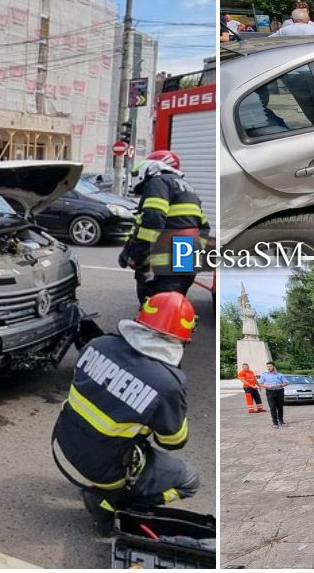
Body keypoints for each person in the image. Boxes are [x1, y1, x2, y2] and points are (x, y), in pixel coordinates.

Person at [52, 292, 198, 536]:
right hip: (102, 468)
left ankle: (106, 490)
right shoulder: (168, 383)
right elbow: (173, 441)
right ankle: (109, 502)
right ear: (182, 337)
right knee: (189, 481)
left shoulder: (98, 344)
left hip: (62, 441)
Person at [119, 153, 209, 304]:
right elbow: (204, 227)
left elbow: (152, 219)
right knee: (173, 304)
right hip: (187, 256)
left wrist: (138, 256)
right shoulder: (187, 188)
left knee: (156, 306)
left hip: (165, 258)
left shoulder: (158, 182)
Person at [258, 362, 290, 428]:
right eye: (267, 366)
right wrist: (265, 386)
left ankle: (281, 421)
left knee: (280, 407)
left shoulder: (280, 375)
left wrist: (280, 385)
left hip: (279, 391)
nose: (269, 368)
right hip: (270, 392)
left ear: (274, 367)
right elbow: (260, 383)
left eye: (270, 366)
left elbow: (287, 382)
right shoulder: (264, 375)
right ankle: (275, 423)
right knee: (272, 407)